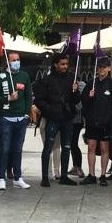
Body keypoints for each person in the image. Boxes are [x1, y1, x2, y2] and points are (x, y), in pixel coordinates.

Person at [33, 53, 81, 187]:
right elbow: (39, 100)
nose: (65, 66)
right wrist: (50, 110)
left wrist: (75, 91)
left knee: (66, 147)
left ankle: (64, 176)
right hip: (53, 118)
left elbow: (76, 100)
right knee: (48, 147)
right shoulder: (47, 80)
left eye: (66, 64)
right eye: (62, 64)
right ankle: (45, 177)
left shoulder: (72, 78)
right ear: (55, 65)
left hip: (67, 118)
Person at [0, 52, 33, 190]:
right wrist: (8, 98)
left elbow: (28, 97)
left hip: (21, 119)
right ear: (8, 62)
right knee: (4, 149)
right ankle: (1, 178)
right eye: (13, 60)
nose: (16, 62)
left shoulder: (24, 76)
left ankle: (18, 177)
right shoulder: (0, 77)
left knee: (18, 149)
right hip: (6, 118)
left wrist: (26, 115)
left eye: (18, 60)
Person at [81, 57, 112, 185]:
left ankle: (102, 175)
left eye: (104, 67)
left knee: (104, 148)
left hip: (106, 123)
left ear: (109, 68)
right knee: (91, 147)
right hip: (92, 122)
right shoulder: (91, 83)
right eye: (100, 67)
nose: (101, 69)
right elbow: (84, 102)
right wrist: (88, 97)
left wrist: (110, 117)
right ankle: (91, 174)